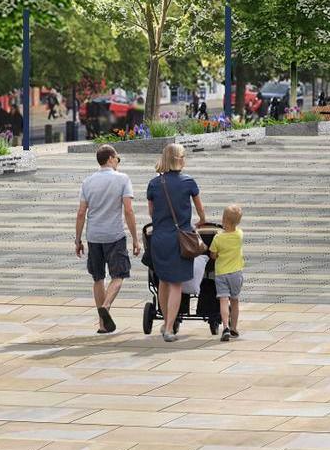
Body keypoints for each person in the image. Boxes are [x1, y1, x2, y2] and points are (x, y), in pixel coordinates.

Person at [146, 142, 210, 342]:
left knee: (163, 281)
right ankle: (169, 328)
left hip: (159, 239)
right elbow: (201, 211)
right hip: (180, 238)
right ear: (180, 159)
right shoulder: (189, 182)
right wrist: (198, 222)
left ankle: (167, 321)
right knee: (176, 284)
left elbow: (151, 212)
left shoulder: (154, 183)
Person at [74, 144, 140, 334]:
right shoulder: (123, 179)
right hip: (115, 235)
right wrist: (135, 239)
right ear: (111, 158)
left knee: (98, 278)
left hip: (94, 235)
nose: (118, 162)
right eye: (117, 158)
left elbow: (80, 213)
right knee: (118, 276)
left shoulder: (88, 182)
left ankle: (103, 324)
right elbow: (128, 210)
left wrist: (78, 240)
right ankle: (107, 306)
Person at [210, 204, 245, 342]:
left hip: (221, 274)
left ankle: (225, 326)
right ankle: (234, 328)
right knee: (235, 301)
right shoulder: (239, 235)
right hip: (236, 273)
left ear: (223, 219)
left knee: (223, 300)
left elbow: (213, 255)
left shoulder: (218, 238)